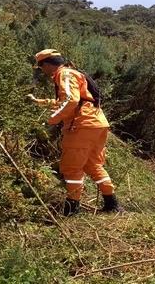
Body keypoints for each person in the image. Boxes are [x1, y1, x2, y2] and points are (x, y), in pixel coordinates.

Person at [28, 49, 122, 216]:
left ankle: (72, 210)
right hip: (97, 124)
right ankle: (112, 204)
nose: (41, 71)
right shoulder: (72, 72)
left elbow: (71, 101)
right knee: (93, 165)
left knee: (71, 168)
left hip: (81, 126)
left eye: (41, 67)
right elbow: (65, 101)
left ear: (48, 64)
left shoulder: (64, 74)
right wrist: (39, 102)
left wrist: (50, 120)